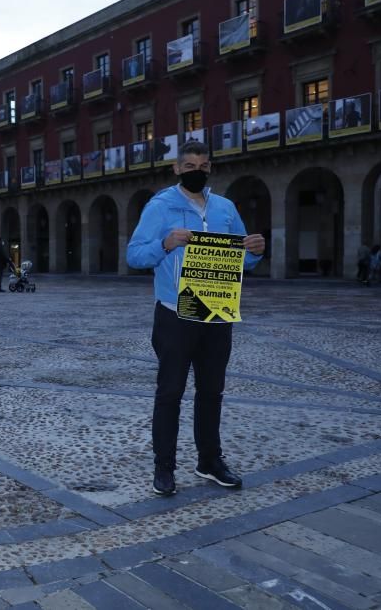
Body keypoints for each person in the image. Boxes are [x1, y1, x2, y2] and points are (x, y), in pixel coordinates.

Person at [127, 141, 265, 496]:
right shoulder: (160, 207)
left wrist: (254, 252)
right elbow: (135, 255)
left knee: (211, 391)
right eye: (189, 165)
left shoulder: (226, 208)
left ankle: (209, 461)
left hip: (218, 313)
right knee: (170, 392)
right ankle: (164, 468)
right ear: (176, 169)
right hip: (175, 314)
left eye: (203, 165)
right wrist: (166, 244)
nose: (196, 171)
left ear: (210, 168)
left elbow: (243, 259)